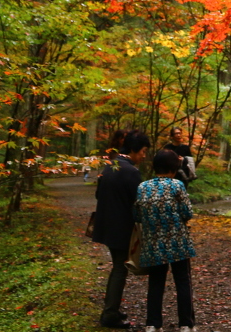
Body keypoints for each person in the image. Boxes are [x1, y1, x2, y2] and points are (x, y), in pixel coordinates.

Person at [92, 129, 150, 328]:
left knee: (117, 267)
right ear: (134, 149)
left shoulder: (111, 164)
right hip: (121, 228)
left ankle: (111, 310)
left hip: (107, 225)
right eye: (143, 151)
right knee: (119, 269)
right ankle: (109, 314)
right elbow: (140, 201)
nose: (143, 156)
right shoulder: (131, 171)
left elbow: (98, 195)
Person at [136, 148, 196, 332]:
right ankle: (186, 324)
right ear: (173, 168)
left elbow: (137, 215)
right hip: (177, 241)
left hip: (153, 241)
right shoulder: (177, 185)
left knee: (156, 282)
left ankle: (152, 324)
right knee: (182, 281)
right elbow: (188, 213)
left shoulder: (142, 187)